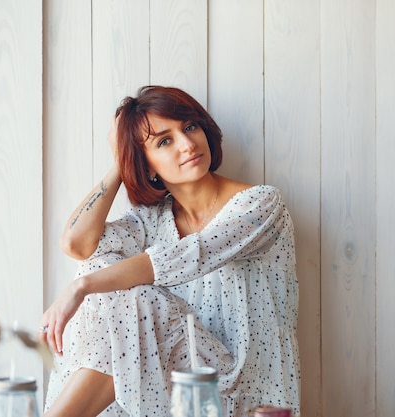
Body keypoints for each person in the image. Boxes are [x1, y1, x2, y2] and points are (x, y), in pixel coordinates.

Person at [39, 85, 300, 417]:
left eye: (189, 126)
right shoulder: (152, 221)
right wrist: (122, 160)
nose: (188, 144)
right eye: (164, 141)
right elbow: (77, 244)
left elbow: (192, 255)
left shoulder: (260, 204)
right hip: (173, 394)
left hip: (248, 396)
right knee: (100, 264)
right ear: (145, 163)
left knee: (136, 299)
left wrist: (80, 288)